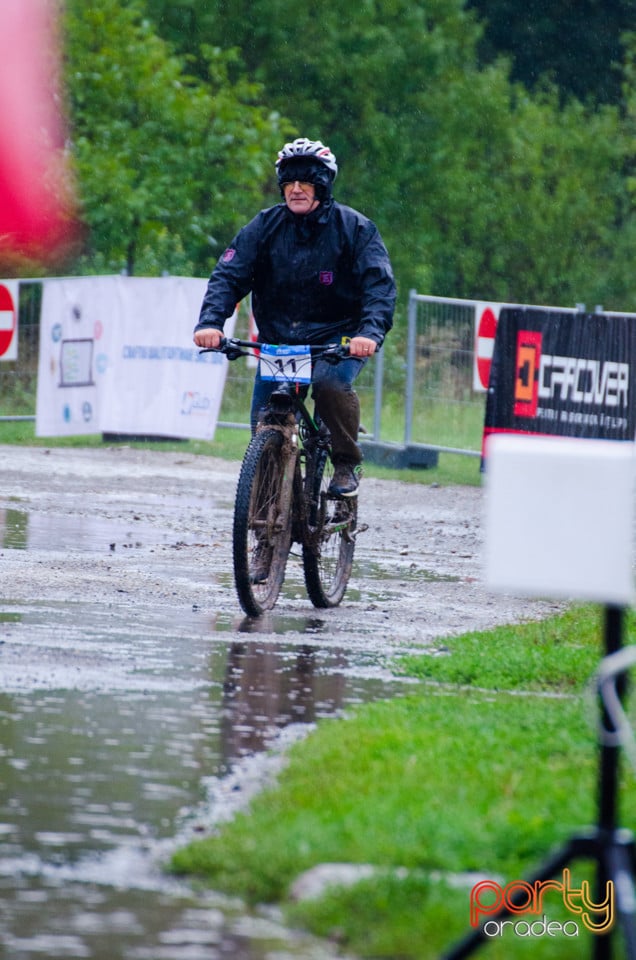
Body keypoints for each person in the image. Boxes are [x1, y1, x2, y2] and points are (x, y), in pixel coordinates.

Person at [193, 137, 396, 497]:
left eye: (306, 182)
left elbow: (379, 287)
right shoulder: (264, 227)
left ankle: (347, 463)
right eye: (289, 182)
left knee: (331, 385)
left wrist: (370, 332)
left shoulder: (356, 229)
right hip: (278, 343)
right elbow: (228, 275)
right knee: (263, 426)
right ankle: (269, 516)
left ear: (323, 185)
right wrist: (210, 322)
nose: (296, 189)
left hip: (338, 339)